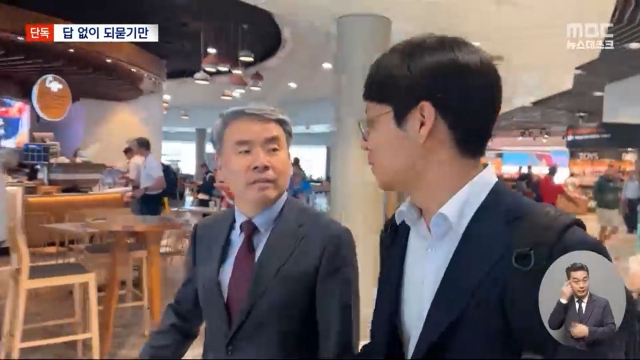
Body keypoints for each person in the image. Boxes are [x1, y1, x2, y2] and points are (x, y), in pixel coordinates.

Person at [356, 34, 622, 359]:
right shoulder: (400, 232)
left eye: (372, 123)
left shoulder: (564, 252)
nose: (365, 142)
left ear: (421, 121)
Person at [139, 105, 359, 359]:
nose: (261, 163)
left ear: (289, 159)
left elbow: (337, 349)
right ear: (219, 165)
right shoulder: (207, 233)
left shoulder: (328, 240)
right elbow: (182, 317)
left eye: (273, 149)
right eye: (244, 151)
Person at [547, 262, 618, 358]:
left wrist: (588, 332)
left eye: (585, 280)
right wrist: (563, 299)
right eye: (576, 281)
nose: (581, 285)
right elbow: (553, 325)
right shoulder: (564, 303)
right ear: (568, 282)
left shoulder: (602, 303)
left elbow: (611, 330)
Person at [130, 137, 166, 216]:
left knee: (150, 224)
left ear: (141, 147)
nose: (132, 149)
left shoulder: (152, 163)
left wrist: (144, 190)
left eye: (134, 146)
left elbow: (162, 184)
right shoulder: (144, 161)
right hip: (146, 197)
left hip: (152, 200)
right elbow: (145, 181)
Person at [593, 165, 622, 242]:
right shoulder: (600, 182)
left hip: (614, 207)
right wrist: (601, 200)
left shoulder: (616, 182)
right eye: (611, 173)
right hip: (603, 208)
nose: (612, 175)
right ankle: (601, 243)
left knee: (615, 228)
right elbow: (595, 194)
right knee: (603, 227)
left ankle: (605, 238)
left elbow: (619, 191)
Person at [121, 146, 144, 214]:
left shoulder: (133, 161)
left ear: (130, 153)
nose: (127, 157)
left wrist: (125, 178)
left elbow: (133, 179)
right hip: (147, 188)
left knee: (137, 210)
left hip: (138, 187)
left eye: (126, 155)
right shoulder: (142, 159)